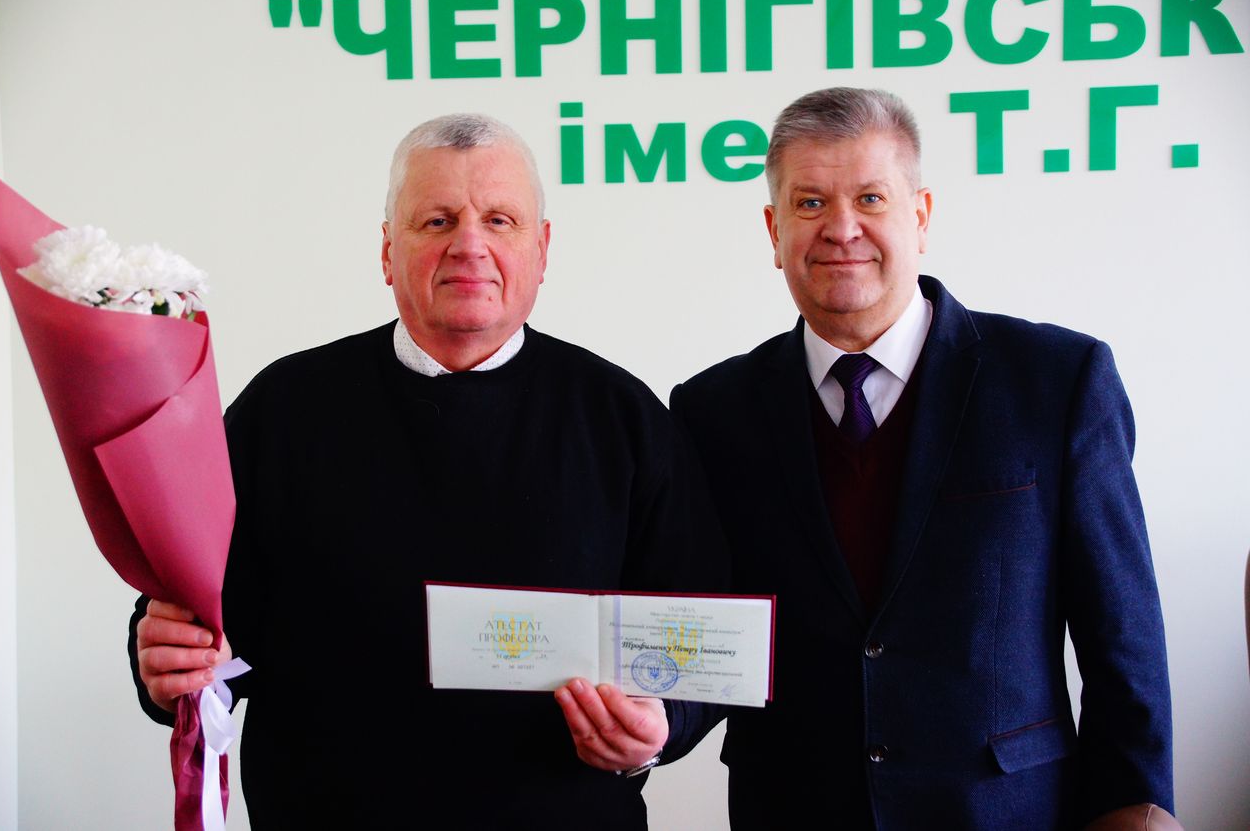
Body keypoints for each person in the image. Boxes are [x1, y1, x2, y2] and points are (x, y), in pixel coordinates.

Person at [130, 114, 718, 828]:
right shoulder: (281, 409)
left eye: (499, 220)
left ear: (542, 249)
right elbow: (198, 618)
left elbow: (700, 626)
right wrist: (167, 664)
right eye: (437, 220)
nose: (469, 244)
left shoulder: (622, 416)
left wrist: (661, 725)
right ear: (387, 252)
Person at [670, 88, 1173, 830]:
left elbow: (1122, 634)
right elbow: (702, 624)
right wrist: (650, 724)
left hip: (1004, 812)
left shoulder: (1057, 381)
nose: (841, 228)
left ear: (921, 215)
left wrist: (1136, 803)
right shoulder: (712, 410)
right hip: (792, 808)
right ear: (774, 231)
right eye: (810, 203)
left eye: (870, 198)